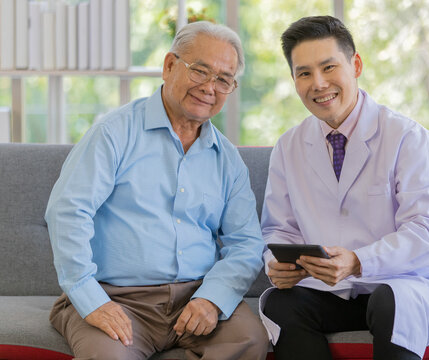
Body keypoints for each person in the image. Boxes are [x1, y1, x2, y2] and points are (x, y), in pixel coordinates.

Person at [45, 21, 268, 360]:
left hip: (196, 297)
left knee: (250, 340)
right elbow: (67, 212)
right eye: (200, 71)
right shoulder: (114, 133)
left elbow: (246, 243)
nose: (210, 87)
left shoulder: (228, 159)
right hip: (118, 297)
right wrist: (90, 300)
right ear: (169, 66)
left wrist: (212, 298)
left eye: (224, 79)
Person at [259, 15, 429, 360]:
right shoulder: (288, 147)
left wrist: (357, 262)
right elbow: (279, 229)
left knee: (390, 302)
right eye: (304, 73)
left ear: (356, 65)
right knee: (279, 303)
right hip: (329, 291)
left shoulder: (409, 139)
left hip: (402, 284)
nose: (318, 83)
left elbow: (428, 233)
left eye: (328, 67)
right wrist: (277, 265)